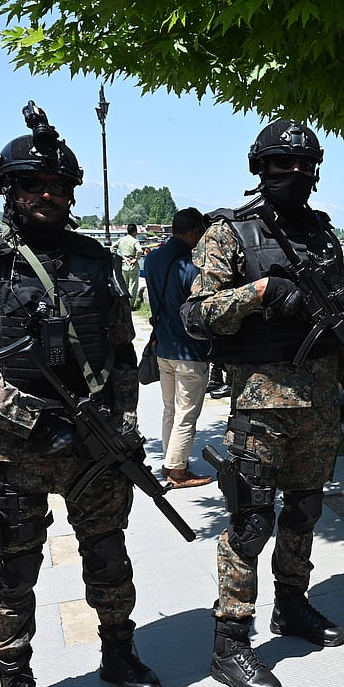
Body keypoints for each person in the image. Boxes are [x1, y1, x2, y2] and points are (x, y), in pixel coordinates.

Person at [0, 101, 161, 687]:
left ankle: (119, 651)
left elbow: (120, 353)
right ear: (8, 189)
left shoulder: (96, 263)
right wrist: (31, 420)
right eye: (34, 185)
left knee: (110, 557)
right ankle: (17, 681)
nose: (49, 196)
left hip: (94, 448)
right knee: (14, 571)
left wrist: (123, 425)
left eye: (59, 187)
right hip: (17, 450)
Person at [183, 119, 344, 687]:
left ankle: (292, 604)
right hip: (259, 406)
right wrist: (258, 295)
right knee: (250, 521)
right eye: (278, 165)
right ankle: (230, 642)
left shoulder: (323, 235)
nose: (292, 175)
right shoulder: (230, 233)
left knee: (304, 512)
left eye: (302, 165)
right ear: (258, 169)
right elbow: (196, 315)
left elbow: (340, 324)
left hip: (317, 404)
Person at [144, 207, 215, 488]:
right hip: (189, 349)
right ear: (196, 232)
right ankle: (177, 471)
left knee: (170, 409)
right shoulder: (191, 266)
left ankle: (169, 459)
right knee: (187, 412)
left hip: (163, 345)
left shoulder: (151, 260)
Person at [117, 223, 145, 309]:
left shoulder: (121, 240)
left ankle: (123, 304)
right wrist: (136, 259)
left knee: (124, 285)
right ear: (135, 232)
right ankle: (130, 305)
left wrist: (120, 257)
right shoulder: (134, 241)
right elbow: (139, 250)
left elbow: (112, 248)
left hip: (123, 264)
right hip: (132, 265)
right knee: (133, 285)